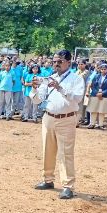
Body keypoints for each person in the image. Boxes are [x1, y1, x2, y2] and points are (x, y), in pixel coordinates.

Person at [32, 49, 85, 199]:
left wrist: (59, 88)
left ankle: (68, 186)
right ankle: (47, 179)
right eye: (54, 61)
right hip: (48, 117)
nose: (56, 64)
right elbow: (37, 100)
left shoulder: (76, 79)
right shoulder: (49, 78)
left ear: (68, 62)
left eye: (59, 61)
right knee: (47, 150)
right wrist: (34, 88)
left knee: (65, 152)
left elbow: (77, 98)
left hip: (66, 119)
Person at [86, 64, 107, 130]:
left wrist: (102, 93)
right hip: (95, 95)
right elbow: (92, 85)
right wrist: (97, 93)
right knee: (93, 110)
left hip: (105, 96)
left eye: (105, 69)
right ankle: (92, 124)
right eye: (102, 69)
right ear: (100, 70)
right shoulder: (96, 76)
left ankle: (100, 125)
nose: (103, 70)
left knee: (102, 110)